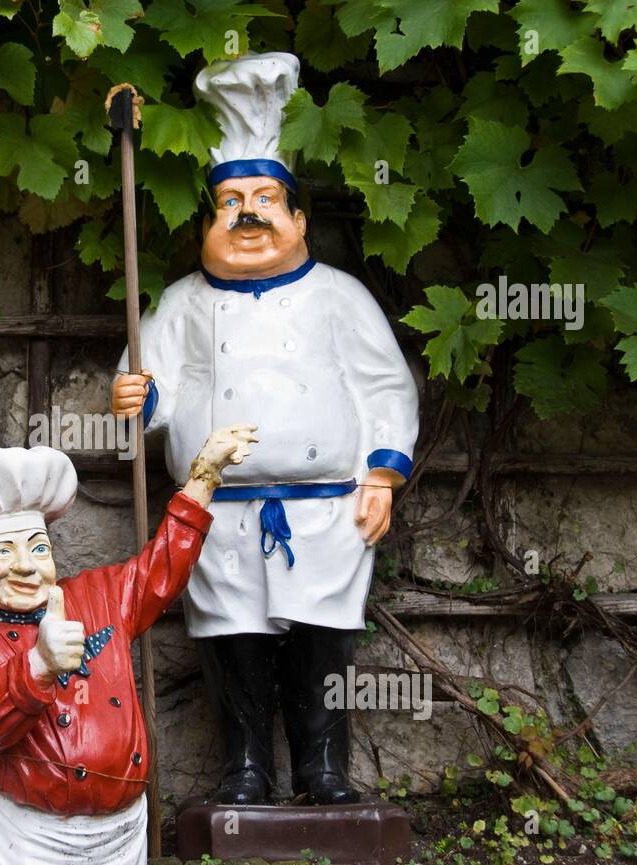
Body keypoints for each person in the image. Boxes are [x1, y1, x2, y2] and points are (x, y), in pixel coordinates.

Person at [111, 52, 420, 806]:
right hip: (217, 515)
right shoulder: (183, 303)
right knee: (232, 642)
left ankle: (324, 770)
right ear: (211, 219)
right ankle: (243, 768)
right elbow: (154, 390)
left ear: (298, 218)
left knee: (323, 642)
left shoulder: (338, 296)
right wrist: (136, 395)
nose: (248, 214)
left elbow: (385, 384)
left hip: (325, 510)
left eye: (266, 199)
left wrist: (381, 474)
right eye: (231, 202)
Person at [0, 425, 256, 865]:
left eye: (38, 548)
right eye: (3, 551)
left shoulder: (98, 596)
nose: (26, 566)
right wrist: (36, 667)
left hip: (120, 834)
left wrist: (205, 475)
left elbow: (163, 568)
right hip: (23, 837)